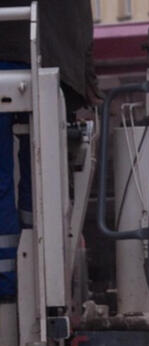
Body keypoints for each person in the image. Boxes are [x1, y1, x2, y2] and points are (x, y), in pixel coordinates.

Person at [0, 0, 97, 298]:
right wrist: (86, 75)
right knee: (44, 179)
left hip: (16, 54)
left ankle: (7, 279)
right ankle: (41, 276)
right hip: (55, 60)